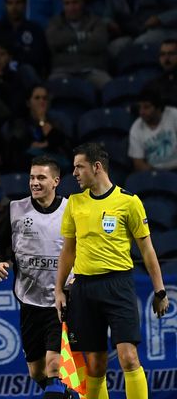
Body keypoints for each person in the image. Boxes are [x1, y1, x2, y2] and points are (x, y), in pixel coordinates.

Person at [55, 142, 170, 399]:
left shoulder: (128, 202)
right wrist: (58, 290)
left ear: (97, 167)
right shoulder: (74, 203)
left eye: (79, 167)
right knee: (95, 365)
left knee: (129, 357)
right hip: (84, 288)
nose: (73, 173)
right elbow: (68, 251)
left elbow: (148, 250)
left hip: (118, 285)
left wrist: (160, 290)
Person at [0, 156, 74, 398]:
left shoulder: (71, 210)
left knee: (54, 366)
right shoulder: (16, 209)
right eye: (32, 177)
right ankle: (67, 395)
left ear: (56, 181)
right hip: (29, 302)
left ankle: (60, 389)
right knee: (37, 372)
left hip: (60, 301)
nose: (34, 183)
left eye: (41, 178)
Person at [45, 0, 110, 89]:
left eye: (75, 2)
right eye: (67, 3)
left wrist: (68, 46)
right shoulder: (55, 23)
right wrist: (84, 37)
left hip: (92, 70)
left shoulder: (96, 21)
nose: (71, 8)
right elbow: (53, 41)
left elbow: (99, 43)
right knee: (49, 90)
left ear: (82, 3)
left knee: (110, 87)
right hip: (62, 70)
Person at [105, 0, 177, 56]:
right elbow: (107, 16)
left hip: (162, 30)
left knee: (140, 43)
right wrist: (110, 23)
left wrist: (159, 19)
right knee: (114, 48)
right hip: (131, 34)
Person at [0, 0, 50, 77]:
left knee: (27, 70)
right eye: (10, 3)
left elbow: (39, 58)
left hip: (23, 70)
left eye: (18, 3)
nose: (14, 7)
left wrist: (12, 65)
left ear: (25, 4)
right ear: (5, 5)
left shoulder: (35, 29)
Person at [128, 88, 177, 171]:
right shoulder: (136, 128)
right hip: (154, 173)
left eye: (146, 107)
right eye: (140, 107)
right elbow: (138, 163)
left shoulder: (174, 115)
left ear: (158, 108)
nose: (141, 112)